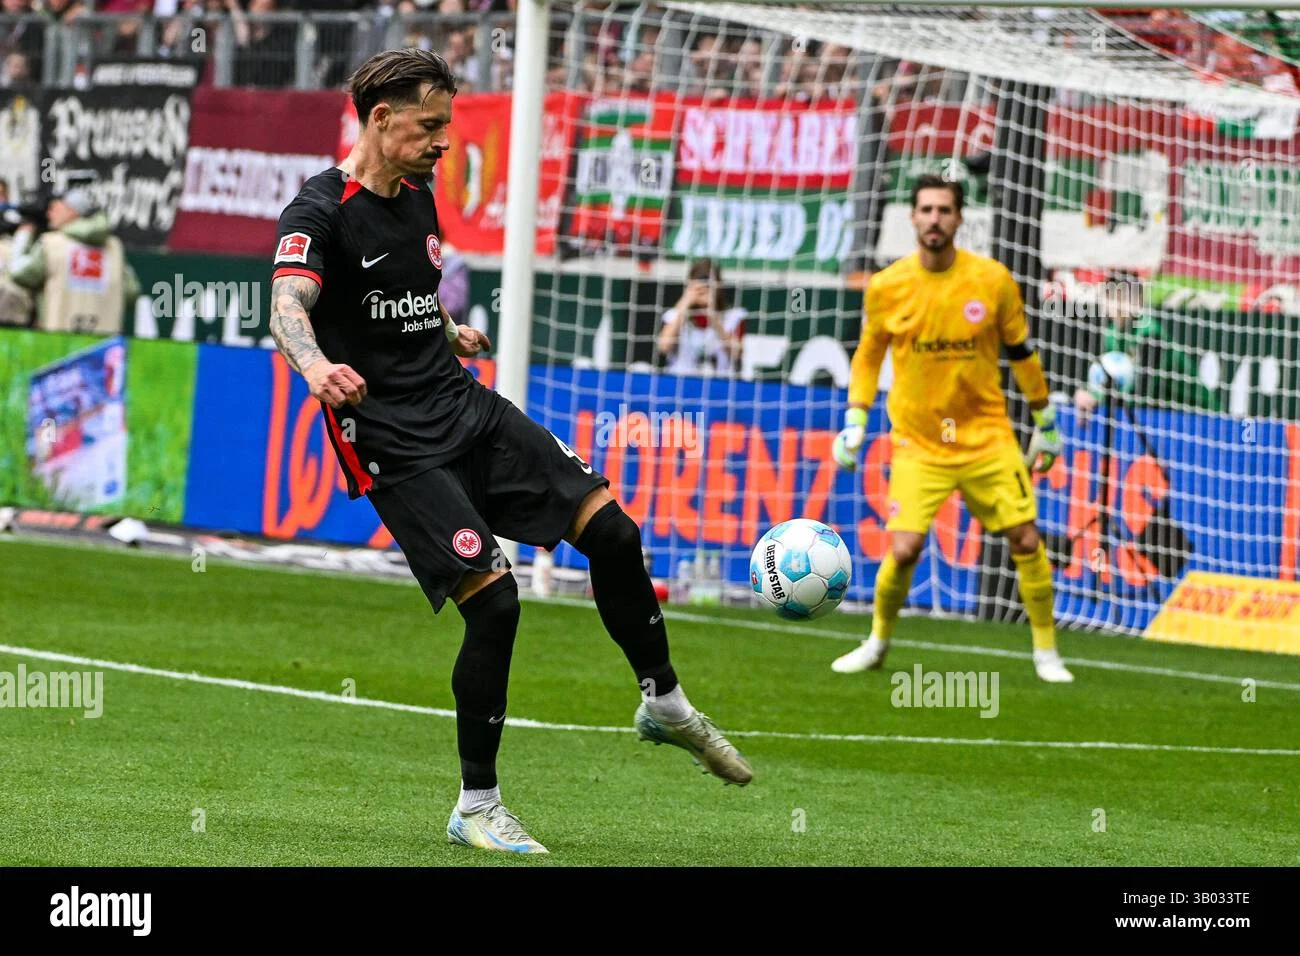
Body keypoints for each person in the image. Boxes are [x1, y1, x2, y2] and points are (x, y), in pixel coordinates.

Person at [268, 48, 751, 856]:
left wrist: (448, 330)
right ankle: (477, 804)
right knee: (494, 601)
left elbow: (404, 298)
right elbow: (289, 302)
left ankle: (663, 700)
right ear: (381, 120)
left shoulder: (418, 197)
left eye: (447, 126)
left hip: (464, 404)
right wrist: (315, 365)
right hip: (394, 440)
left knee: (615, 534)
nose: (444, 142)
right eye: (429, 126)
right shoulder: (319, 211)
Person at [830, 173, 1073, 684]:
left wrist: (1046, 420)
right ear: (912, 217)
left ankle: (1047, 652)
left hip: (986, 435)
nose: (934, 219)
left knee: (1026, 539)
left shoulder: (992, 281)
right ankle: (876, 641)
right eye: (926, 210)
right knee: (904, 548)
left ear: (960, 218)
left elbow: (1022, 354)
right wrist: (856, 418)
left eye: (944, 210)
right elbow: (868, 357)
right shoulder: (888, 287)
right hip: (918, 441)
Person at [1074, 271, 1220, 415]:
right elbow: (1106, 378)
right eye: (1112, 297)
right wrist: (1087, 394)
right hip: (1164, 414)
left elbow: (1143, 392)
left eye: (1124, 298)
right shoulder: (1111, 334)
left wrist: (1098, 399)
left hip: (1200, 413)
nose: (1117, 305)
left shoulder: (1150, 334)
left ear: (1139, 300)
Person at [5, 185, 140, 334]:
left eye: (54, 208)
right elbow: (131, 293)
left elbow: (18, 273)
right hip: (104, 344)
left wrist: (24, 235)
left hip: (59, 340)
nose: (49, 213)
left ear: (72, 211)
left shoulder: (51, 243)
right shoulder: (114, 247)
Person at [656, 258, 746, 376]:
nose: (703, 290)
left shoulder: (733, 316)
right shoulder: (673, 315)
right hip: (679, 382)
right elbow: (664, 347)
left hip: (719, 383)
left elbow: (736, 353)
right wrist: (685, 304)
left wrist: (713, 317)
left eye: (709, 286)